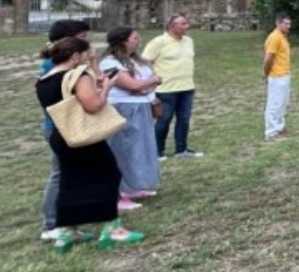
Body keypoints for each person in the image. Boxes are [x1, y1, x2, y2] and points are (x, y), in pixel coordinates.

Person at [36, 36, 144, 251]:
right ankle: (112, 229)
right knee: (108, 174)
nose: (90, 58)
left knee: (70, 181)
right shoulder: (77, 75)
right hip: (83, 136)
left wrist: (94, 70)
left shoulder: (45, 78)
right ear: (75, 56)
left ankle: (67, 232)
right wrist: (107, 88)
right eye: (87, 54)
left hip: (61, 135)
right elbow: (93, 105)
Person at [100, 27, 163, 211]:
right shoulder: (110, 62)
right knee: (121, 149)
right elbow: (133, 85)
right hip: (122, 109)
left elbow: (144, 84)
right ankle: (116, 193)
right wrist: (153, 80)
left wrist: (149, 85)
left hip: (141, 107)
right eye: (135, 38)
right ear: (123, 41)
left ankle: (131, 186)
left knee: (139, 148)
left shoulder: (136, 60)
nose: (139, 40)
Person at [38, 19, 90, 242]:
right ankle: (51, 224)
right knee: (60, 175)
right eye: (82, 38)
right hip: (60, 127)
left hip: (63, 125)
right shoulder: (55, 65)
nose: (86, 43)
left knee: (68, 174)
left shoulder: (57, 61)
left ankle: (67, 221)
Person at [143, 14, 201, 159]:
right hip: (166, 89)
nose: (186, 26)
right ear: (171, 26)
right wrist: (151, 80)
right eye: (182, 24)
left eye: (186, 23)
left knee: (184, 119)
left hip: (187, 87)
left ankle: (181, 150)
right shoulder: (158, 42)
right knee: (164, 120)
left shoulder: (189, 41)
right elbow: (145, 62)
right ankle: (157, 152)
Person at [263, 13, 292, 141]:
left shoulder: (282, 37)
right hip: (276, 76)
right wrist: (266, 73)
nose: (288, 26)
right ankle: (271, 132)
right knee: (274, 104)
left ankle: (279, 128)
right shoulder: (274, 37)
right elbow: (268, 58)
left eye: (289, 24)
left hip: (284, 75)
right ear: (278, 23)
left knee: (282, 104)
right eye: (285, 23)